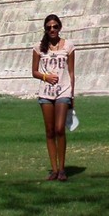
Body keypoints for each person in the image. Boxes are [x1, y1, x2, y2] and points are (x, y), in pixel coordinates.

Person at [31, 13, 75, 181]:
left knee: (59, 129)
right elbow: (34, 71)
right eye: (49, 27)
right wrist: (45, 77)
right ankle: (54, 169)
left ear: (60, 27)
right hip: (45, 93)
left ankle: (62, 169)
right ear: (45, 29)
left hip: (63, 91)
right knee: (49, 131)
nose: (52, 30)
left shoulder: (68, 46)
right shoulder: (38, 47)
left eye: (55, 26)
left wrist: (72, 95)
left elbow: (71, 72)